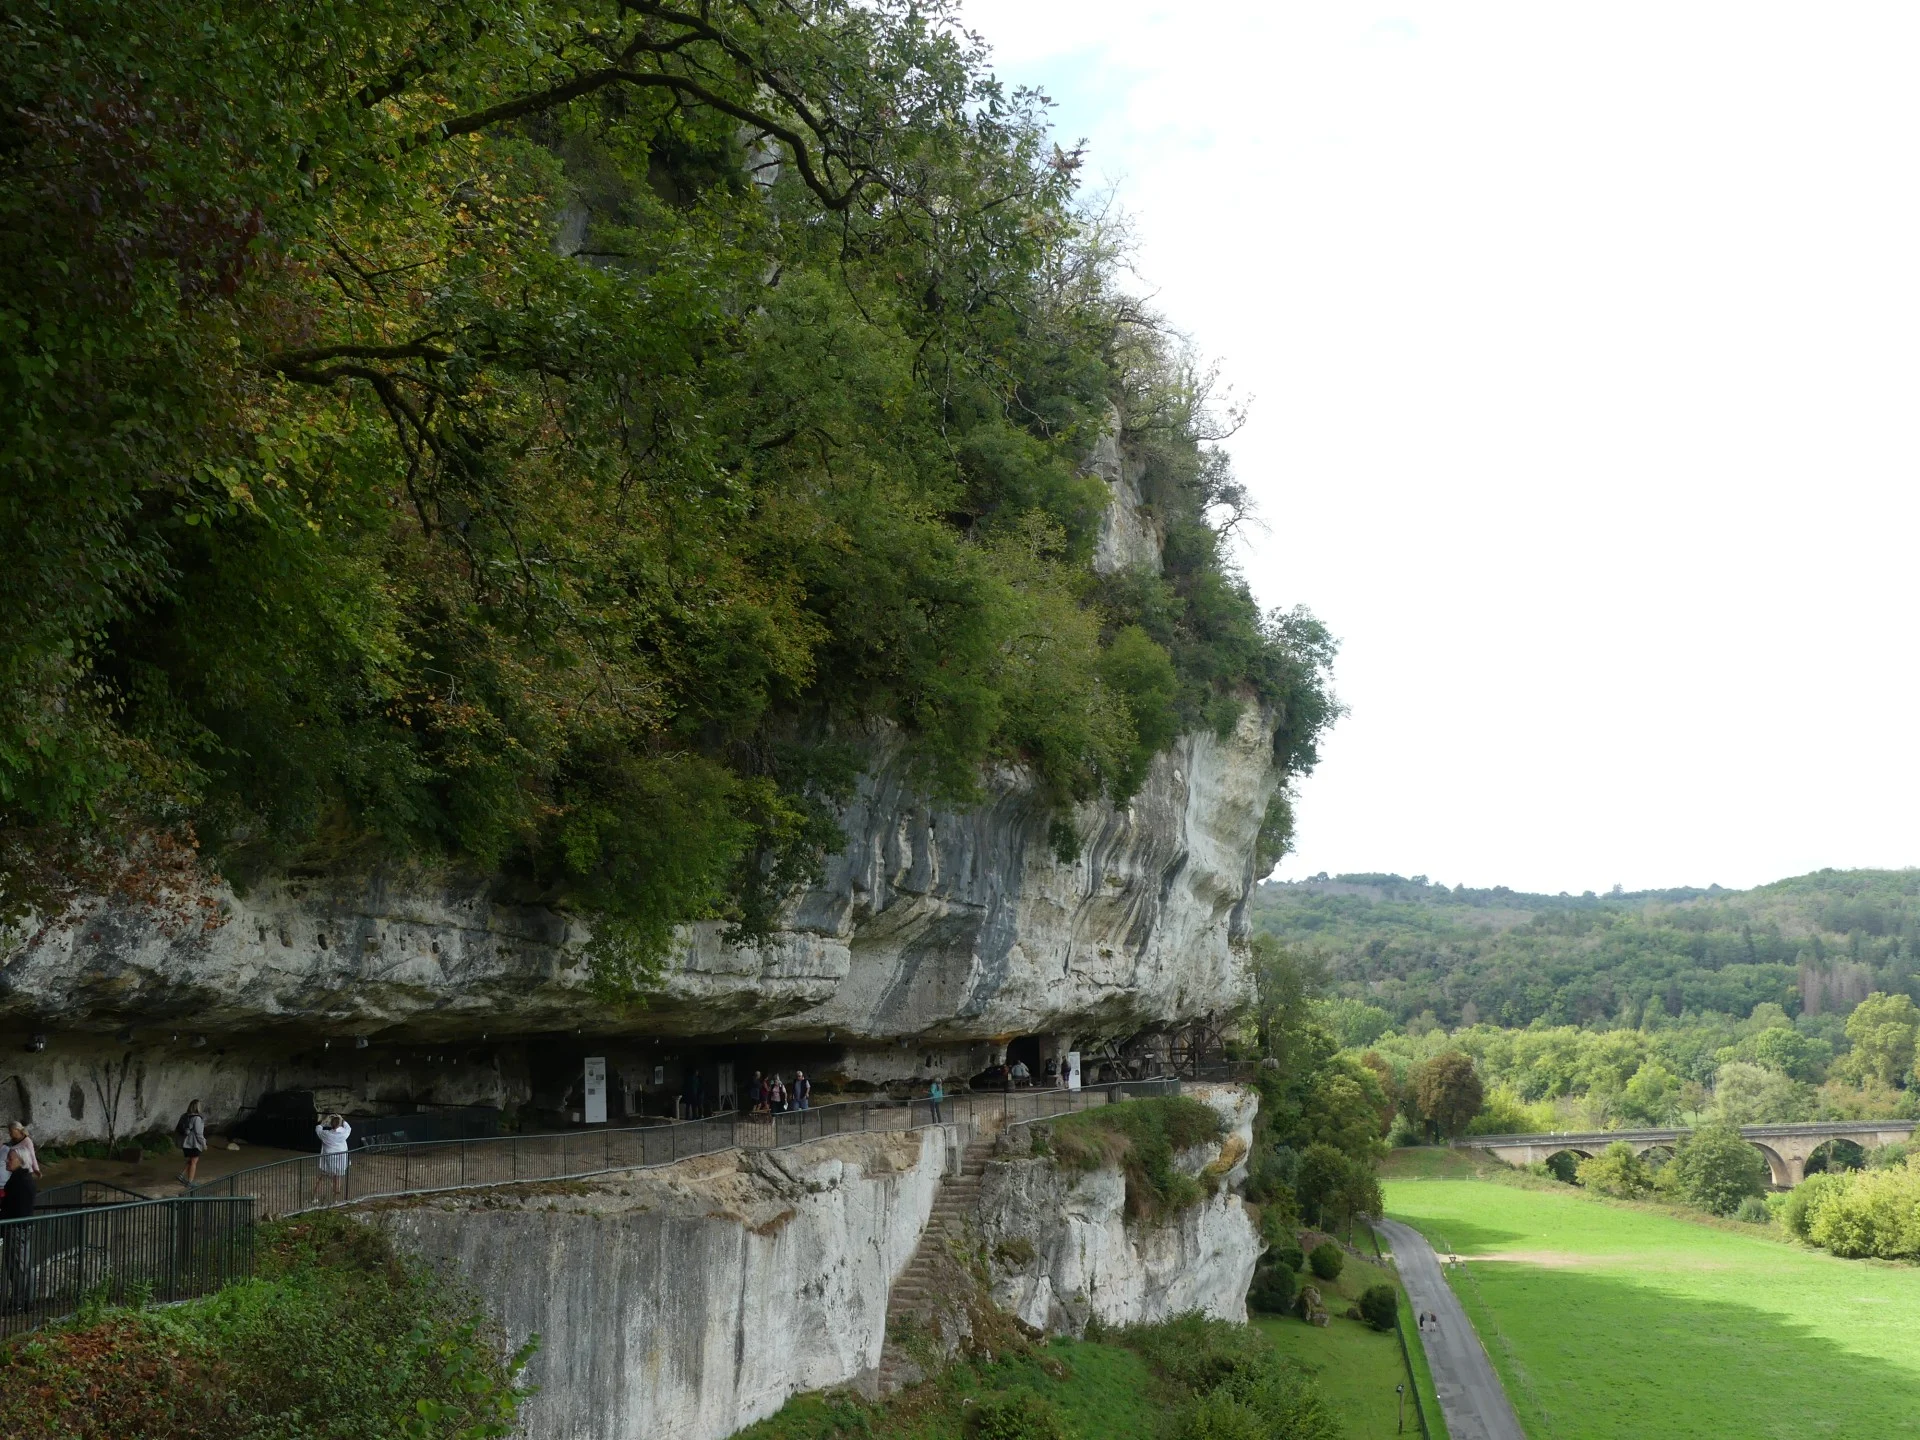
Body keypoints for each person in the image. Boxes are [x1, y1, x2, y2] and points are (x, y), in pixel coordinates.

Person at [1, 1125, 37, 1311]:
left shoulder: (19, 1181)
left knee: (17, 1267)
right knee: (23, 1266)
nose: (7, 1161)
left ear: (20, 1161)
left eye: (10, 1159)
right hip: (22, 1226)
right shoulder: (24, 1178)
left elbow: (14, 1208)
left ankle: (18, 1303)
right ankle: (25, 1301)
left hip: (17, 1228)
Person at [311, 1113, 352, 1206]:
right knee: (337, 1179)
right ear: (339, 1124)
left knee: (322, 1179)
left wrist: (324, 1121)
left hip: (328, 1161)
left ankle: (314, 1197)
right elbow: (348, 1128)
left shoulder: (326, 1134)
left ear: (330, 1124)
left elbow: (318, 1129)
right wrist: (342, 1119)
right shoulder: (343, 1133)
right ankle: (335, 1200)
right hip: (340, 1160)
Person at [176, 1099, 208, 1185]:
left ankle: (182, 1175)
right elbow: (198, 1133)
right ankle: (190, 1182)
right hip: (193, 1144)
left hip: (185, 1143)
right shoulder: (197, 1118)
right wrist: (204, 1143)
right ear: (198, 1107)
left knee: (191, 1159)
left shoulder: (184, 1116)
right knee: (194, 1162)